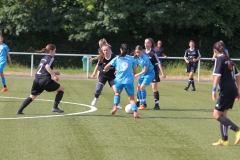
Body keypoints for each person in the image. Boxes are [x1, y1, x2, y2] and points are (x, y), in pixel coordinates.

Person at [16, 44, 65, 114]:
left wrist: (53, 72)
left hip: (37, 79)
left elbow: (42, 69)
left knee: (32, 96)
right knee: (61, 89)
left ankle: (19, 110)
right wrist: (54, 75)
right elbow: (47, 67)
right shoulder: (51, 58)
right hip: (44, 80)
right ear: (51, 51)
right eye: (55, 51)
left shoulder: (44, 57)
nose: (55, 53)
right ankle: (55, 107)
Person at [211, 41, 240, 146]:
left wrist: (213, 89)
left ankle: (238, 130)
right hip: (232, 89)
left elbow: (217, 76)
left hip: (226, 90)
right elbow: (238, 75)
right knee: (223, 114)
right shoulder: (229, 60)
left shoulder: (219, 59)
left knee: (216, 114)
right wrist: (237, 90)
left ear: (215, 51)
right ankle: (224, 140)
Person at [104, 43, 140, 118]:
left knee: (117, 93)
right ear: (128, 50)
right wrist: (134, 74)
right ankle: (135, 112)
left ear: (120, 50)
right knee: (131, 99)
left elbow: (106, 66)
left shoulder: (117, 58)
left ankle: (115, 106)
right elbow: (134, 70)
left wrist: (105, 69)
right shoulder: (131, 59)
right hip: (129, 81)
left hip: (119, 80)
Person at [137, 38, 166, 110]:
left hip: (153, 72)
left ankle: (157, 104)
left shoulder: (153, 53)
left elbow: (159, 62)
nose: (146, 44)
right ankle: (139, 101)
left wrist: (162, 73)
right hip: (144, 72)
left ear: (151, 44)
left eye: (147, 43)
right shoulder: (142, 51)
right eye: (145, 43)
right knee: (139, 86)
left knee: (154, 88)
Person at [133, 45, 155, 109]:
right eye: (136, 52)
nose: (138, 53)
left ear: (142, 51)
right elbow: (135, 66)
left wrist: (137, 74)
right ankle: (141, 103)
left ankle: (143, 104)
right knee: (138, 88)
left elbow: (146, 70)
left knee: (142, 87)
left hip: (149, 73)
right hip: (143, 73)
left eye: (139, 52)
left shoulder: (145, 58)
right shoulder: (136, 57)